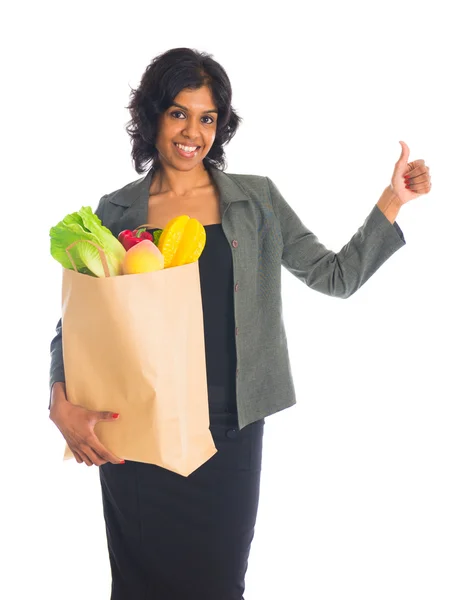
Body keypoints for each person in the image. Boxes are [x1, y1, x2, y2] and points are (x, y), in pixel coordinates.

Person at [48, 47, 431, 599]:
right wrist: (58, 399)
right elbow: (75, 322)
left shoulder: (256, 201)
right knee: (137, 585)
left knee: (218, 585)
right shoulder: (117, 212)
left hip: (229, 426)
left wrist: (392, 200)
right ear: (153, 115)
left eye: (208, 118)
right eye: (179, 113)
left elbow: (334, 276)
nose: (193, 132)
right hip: (134, 427)